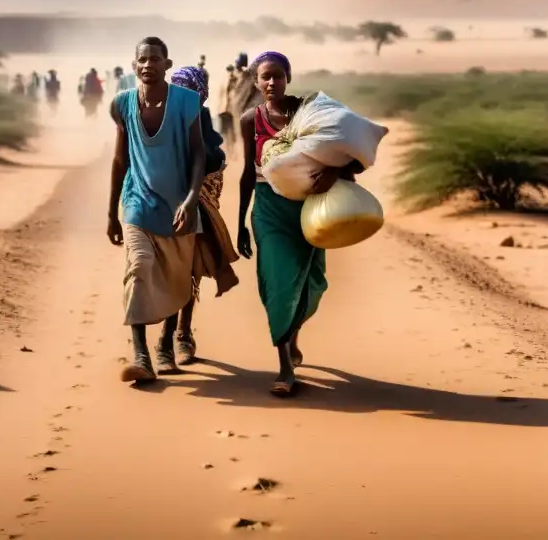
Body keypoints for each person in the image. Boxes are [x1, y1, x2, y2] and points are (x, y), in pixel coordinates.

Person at [236, 51, 361, 397]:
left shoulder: (309, 112)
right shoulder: (250, 119)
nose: (271, 82)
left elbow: (351, 153)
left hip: (310, 208)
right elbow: (248, 172)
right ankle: (285, 368)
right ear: (256, 82)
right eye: (265, 77)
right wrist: (240, 223)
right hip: (268, 210)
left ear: (288, 77)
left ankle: (293, 335)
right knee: (277, 284)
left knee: (312, 283)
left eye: (278, 76)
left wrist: (332, 171)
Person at [108, 37, 206, 383]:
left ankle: (166, 343)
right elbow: (120, 160)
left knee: (176, 279)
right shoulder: (122, 104)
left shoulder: (186, 101)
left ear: (168, 64)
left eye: (155, 59)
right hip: (137, 203)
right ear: (134, 66)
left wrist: (191, 197)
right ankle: (140, 353)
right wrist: (110, 214)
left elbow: (199, 154)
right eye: (142, 59)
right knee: (139, 266)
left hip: (178, 205)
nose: (148, 65)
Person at [169, 65, 239, 364]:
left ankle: (182, 333)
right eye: (178, 90)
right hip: (158, 205)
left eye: (190, 92)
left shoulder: (203, 121)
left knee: (189, 270)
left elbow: (213, 158)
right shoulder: (160, 117)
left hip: (193, 205)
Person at [217, 63, 238, 146]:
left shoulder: (233, 80)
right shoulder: (226, 81)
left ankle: (230, 150)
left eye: (231, 70)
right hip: (224, 110)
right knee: (225, 132)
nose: (231, 72)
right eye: (229, 70)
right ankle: (227, 150)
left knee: (231, 133)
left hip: (229, 111)